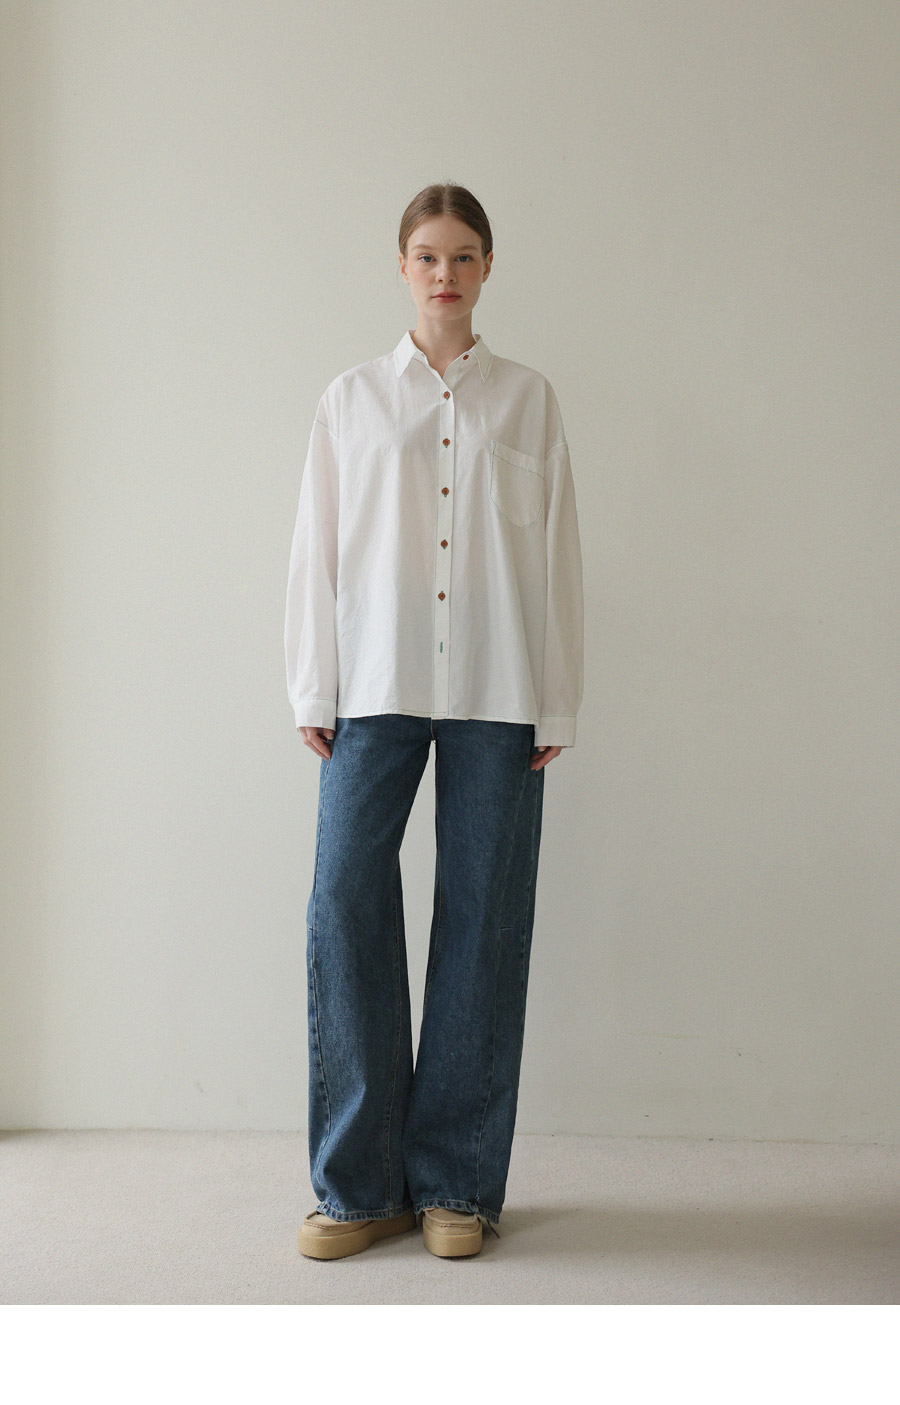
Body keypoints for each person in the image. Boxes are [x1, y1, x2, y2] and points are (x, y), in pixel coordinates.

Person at [284, 183, 584, 1261]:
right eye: (426, 255)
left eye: (463, 255)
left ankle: (457, 1182)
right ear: (402, 267)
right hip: (374, 684)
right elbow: (316, 543)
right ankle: (361, 1186)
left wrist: (558, 694)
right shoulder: (352, 399)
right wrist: (312, 684)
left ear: (487, 266)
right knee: (344, 901)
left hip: (499, 691)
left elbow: (555, 552)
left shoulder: (528, 400)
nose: (444, 273)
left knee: (482, 922)